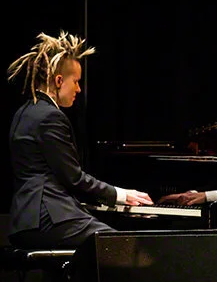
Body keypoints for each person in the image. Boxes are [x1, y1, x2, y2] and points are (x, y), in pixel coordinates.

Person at [6, 31, 154, 249]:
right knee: (127, 249)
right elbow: (73, 178)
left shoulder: (24, 113)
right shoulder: (50, 116)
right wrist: (121, 195)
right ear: (59, 80)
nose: (78, 89)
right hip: (50, 218)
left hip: (24, 221)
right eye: (75, 81)